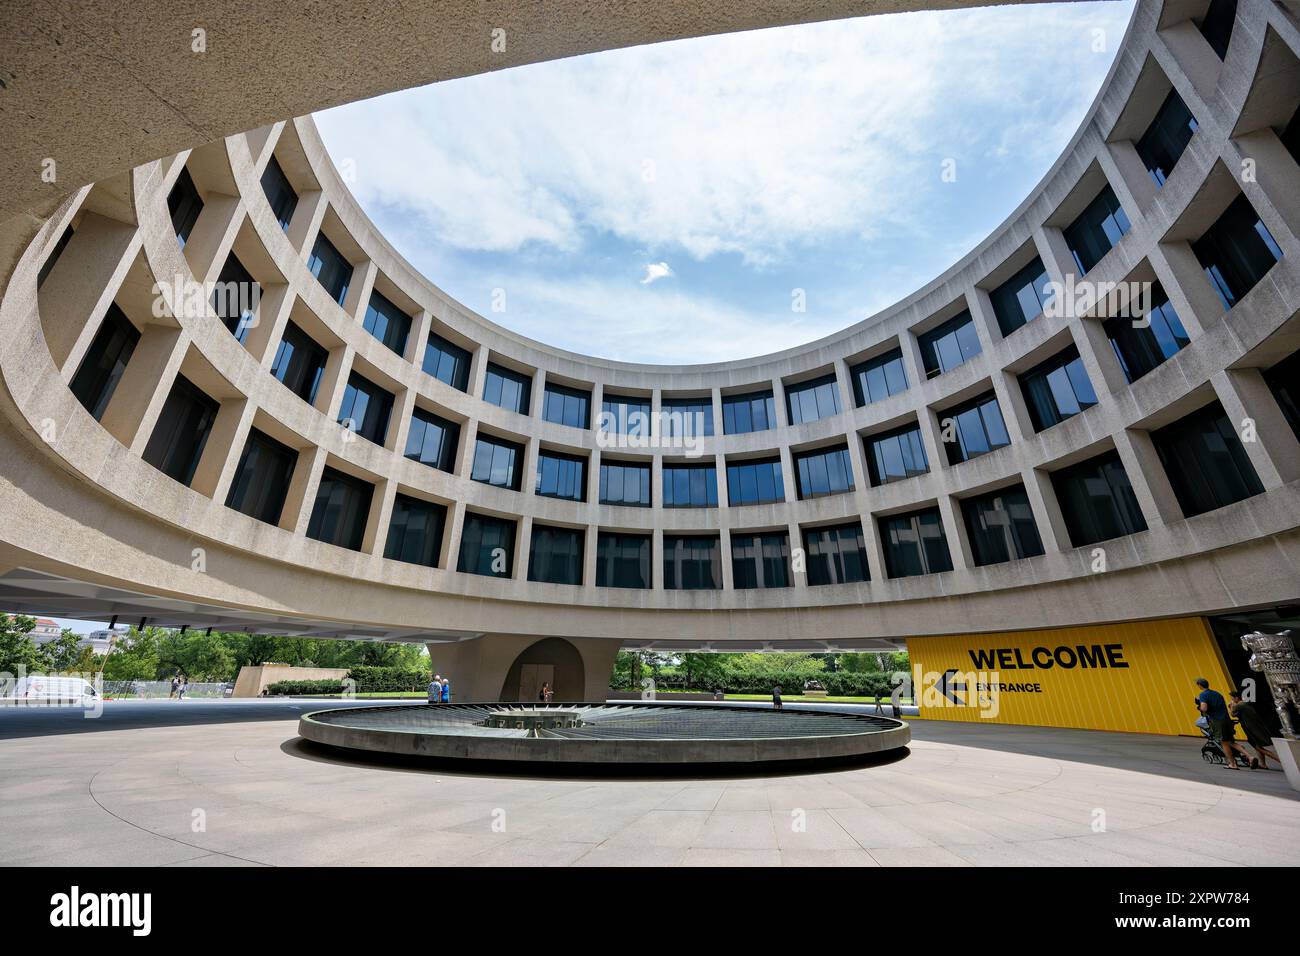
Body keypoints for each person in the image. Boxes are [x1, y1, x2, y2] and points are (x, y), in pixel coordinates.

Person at [1195, 678, 1250, 770]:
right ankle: (1249, 756)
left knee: (1224, 743)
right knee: (1230, 742)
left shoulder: (1203, 695)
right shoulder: (1218, 694)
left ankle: (1233, 764)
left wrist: (1200, 707)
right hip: (1226, 720)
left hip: (1217, 721)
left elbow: (1204, 708)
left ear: (1200, 685)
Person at [1229, 691, 1278, 770]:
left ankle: (1282, 762)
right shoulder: (1245, 703)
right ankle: (1263, 764)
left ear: (1236, 698)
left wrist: (1231, 706)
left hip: (1251, 729)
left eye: (1232, 698)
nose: (1231, 700)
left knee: (1259, 748)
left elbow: (1232, 714)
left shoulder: (1239, 705)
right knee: (1258, 746)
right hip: (1255, 728)